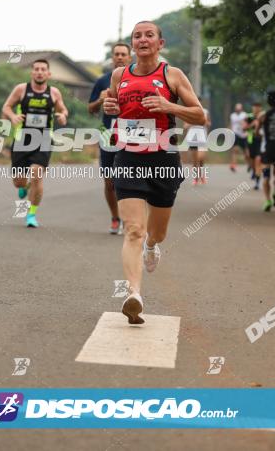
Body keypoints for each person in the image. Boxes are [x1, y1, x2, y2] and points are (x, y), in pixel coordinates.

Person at [103, 21, 205, 324]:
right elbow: (114, 105)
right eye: (138, 36)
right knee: (133, 229)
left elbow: (199, 114)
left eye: (149, 35)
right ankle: (133, 294)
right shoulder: (119, 74)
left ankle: (152, 247)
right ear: (132, 44)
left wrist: (167, 106)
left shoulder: (172, 75)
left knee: (157, 233)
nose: (143, 40)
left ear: (160, 44)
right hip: (128, 158)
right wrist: (111, 108)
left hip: (163, 159)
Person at [1, 58, 68, 228]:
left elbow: (63, 109)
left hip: (44, 138)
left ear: (48, 73)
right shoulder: (21, 89)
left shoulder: (54, 93)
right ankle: (25, 186)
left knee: (37, 173)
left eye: (43, 69)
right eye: (36, 69)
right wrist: (13, 116)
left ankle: (31, 214)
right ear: (32, 72)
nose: (39, 72)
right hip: (22, 139)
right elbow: (6, 107)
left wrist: (62, 116)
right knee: (19, 182)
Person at [88, 43, 131, 234]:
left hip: (133, 133)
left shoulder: (137, 79)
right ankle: (115, 217)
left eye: (123, 54)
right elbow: (91, 109)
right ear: (112, 58)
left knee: (132, 178)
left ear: (130, 57)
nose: (120, 57)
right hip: (109, 133)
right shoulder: (102, 81)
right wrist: (100, 100)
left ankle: (131, 217)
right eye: (117, 54)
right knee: (109, 180)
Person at [185, 107, 210, 185]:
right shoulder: (188, 111)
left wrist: (202, 122)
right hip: (192, 138)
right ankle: (196, 178)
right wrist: (193, 122)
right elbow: (185, 126)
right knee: (195, 161)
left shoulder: (205, 111)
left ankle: (201, 175)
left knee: (200, 159)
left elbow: (208, 123)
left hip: (202, 137)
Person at [247, 102, 264, 190]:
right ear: (252, 108)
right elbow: (244, 128)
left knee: (258, 160)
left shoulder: (263, 117)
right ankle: (254, 171)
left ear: (260, 108)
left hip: (261, 141)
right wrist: (252, 124)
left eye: (258, 107)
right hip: (251, 140)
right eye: (255, 107)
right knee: (252, 161)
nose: (256, 109)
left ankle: (257, 182)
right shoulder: (249, 117)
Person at [229, 103, 249, 173]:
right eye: (237, 109)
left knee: (246, 152)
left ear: (241, 109)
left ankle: (249, 164)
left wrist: (246, 129)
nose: (238, 110)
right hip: (235, 134)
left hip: (243, 135)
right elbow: (231, 124)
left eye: (239, 109)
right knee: (235, 150)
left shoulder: (244, 115)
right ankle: (233, 165)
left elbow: (247, 124)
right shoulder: (232, 115)